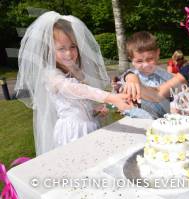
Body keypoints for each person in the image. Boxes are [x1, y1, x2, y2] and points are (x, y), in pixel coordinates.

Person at [15, 11, 131, 155]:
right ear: (49, 51)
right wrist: (109, 97)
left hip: (89, 126)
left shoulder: (76, 71)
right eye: (61, 49)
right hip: (73, 132)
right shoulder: (51, 75)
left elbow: (79, 104)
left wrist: (95, 111)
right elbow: (74, 89)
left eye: (72, 46)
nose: (69, 54)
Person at [121, 31, 173, 119]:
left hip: (165, 121)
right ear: (132, 60)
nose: (145, 65)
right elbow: (125, 80)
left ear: (157, 54)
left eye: (150, 59)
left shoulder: (165, 76)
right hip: (139, 121)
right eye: (139, 61)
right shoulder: (131, 76)